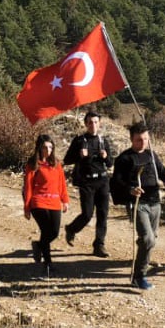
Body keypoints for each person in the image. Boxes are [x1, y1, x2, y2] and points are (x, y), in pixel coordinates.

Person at [111, 122, 165, 290]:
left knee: (152, 238)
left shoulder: (152, 155)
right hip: (137, 204)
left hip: (155, 203)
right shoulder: (124, 158)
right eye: (138, 140)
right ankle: (139, 276)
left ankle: (142, 255)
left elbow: (162, 170)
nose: (142, 142)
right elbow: (117, 182)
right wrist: (130, 190)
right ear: (131, 139)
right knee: (148, 239)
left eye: (145, 139)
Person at [62, 110, 115, 257]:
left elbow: (110, 164)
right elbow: (67, 160)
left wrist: (105, 157)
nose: (93, 125)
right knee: (87, 214)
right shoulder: (79, 141)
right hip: (87, 181)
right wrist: (79, 156)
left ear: (100, 123)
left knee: (103, 215)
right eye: (90, 122)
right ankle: (72, 229)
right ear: (85, 124)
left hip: (103, 180)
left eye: (96, 122)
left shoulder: (104, 141)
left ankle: (99, 245)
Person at [22, 134, 70, 277]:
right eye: (45, 147)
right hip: (38, 201)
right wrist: (27, 207)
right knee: (45, 229)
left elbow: (62, 184)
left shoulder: (56, 164)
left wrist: (65, 200)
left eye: (50, 147)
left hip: (54, 201)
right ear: (39, 148)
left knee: (54, 232)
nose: (48, 150)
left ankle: (38, 246)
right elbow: (28, 187)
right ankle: (48, 263)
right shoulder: (33, 164)